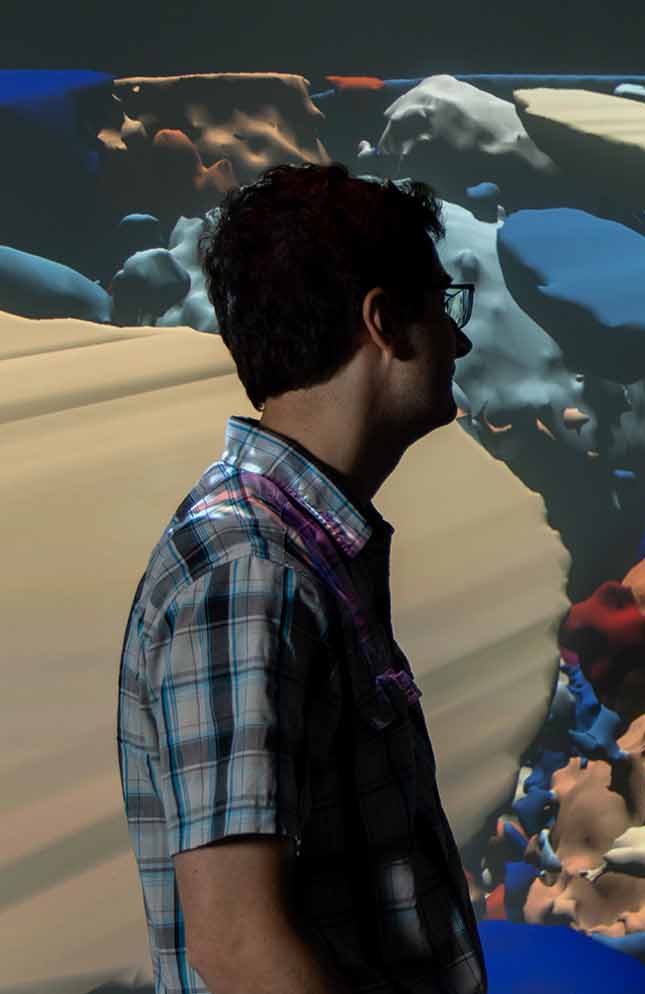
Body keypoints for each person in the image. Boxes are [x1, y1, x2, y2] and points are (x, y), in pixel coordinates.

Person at [116, 162, 483, 994]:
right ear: (385, 321)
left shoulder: (292, 547)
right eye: (443, 304)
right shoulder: (249, 570)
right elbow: (241, 948)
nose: (458, 340)